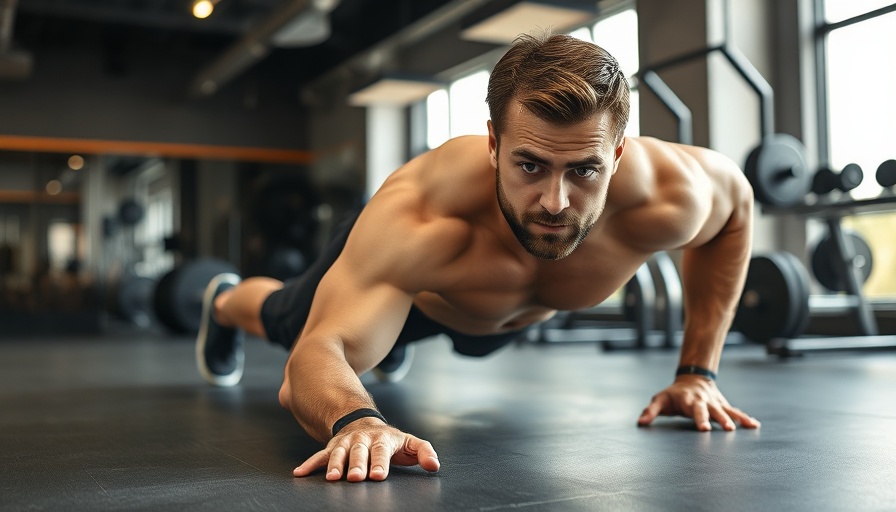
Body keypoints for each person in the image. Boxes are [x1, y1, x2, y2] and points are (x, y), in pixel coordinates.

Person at [195, 33, 761, 483]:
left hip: (494, 322)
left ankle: (386, 341)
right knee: (285, 319)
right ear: (493, 144)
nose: (555, 202)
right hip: (424, 284)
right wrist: (357, 421)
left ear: (616, 153)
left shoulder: (673, 194)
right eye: (530, 165)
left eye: (584, 169)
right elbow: (312, 360)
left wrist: (697, 373)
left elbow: (736, 209)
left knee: (382, 344)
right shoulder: (422, 216)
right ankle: (222, 302)